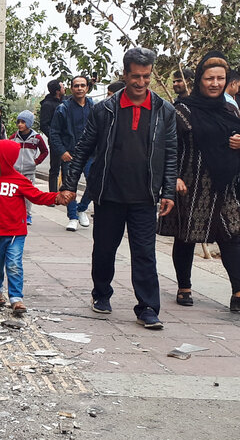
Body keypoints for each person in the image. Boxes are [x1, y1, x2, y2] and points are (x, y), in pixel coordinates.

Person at [58, 47, 178, 330]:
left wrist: (168, 191)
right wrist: (70, 185)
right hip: (109, 193)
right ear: (124, 75)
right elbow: (84, 148)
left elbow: (171, 153)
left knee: (145, 253)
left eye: (146, 76)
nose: (140, 82)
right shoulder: (105, 110)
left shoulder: (165, 111)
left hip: (145, 196)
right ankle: (101, 293)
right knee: (104, 249)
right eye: (135, 76)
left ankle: (148, 306)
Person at [158, 51, 240, 312]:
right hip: (191, 184)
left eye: (220, 78)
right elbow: (168, 147)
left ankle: (237, 292)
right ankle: (184, 286)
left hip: (224, 185)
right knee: (186, 236)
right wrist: (173, 178)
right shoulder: (182, 110)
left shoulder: (230, 110)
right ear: (199, 81)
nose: (215, 83)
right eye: (209, 78)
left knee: (232, 235)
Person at [0, 140, 60, 315]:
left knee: (14, 265)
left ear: (5, 159)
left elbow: (37, 196)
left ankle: (16, 299)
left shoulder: (20, 181)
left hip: (15, 234)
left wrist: (56, 198)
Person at [51, 75, 96, 231]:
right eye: (76, 85)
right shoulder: (63, 109)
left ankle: (81, 208)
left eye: (82, 85)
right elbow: (54, 133)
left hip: (90, 154)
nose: (79, 88)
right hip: (70, 154)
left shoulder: (94, 107)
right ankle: (72, 217)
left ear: (87, 88)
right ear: (71, 88)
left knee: (95, 182)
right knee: (70, 186)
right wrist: (62, 151)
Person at [10, 110, 49, 224]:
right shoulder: (14, 137)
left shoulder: (36, 138)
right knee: (14, 194)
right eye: (19, 122)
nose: (20, 124)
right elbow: (8, 150)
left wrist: (36, 162)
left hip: (29, 171)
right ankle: (15, 214)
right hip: (16, 172)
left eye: (23, 122)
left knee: (28, 194)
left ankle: (27, 215)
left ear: (29, 123)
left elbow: (44, 151)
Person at [40, 79, 65, 191]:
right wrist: (54, 136)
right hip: (56, 141)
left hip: (67, 140)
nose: (64, 88)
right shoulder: (47, 104)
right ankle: (52, 195)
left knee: (68, 168)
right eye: (62, 87)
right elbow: (44, 125)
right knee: (55, 168)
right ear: (57, 91)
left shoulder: (66, 102)